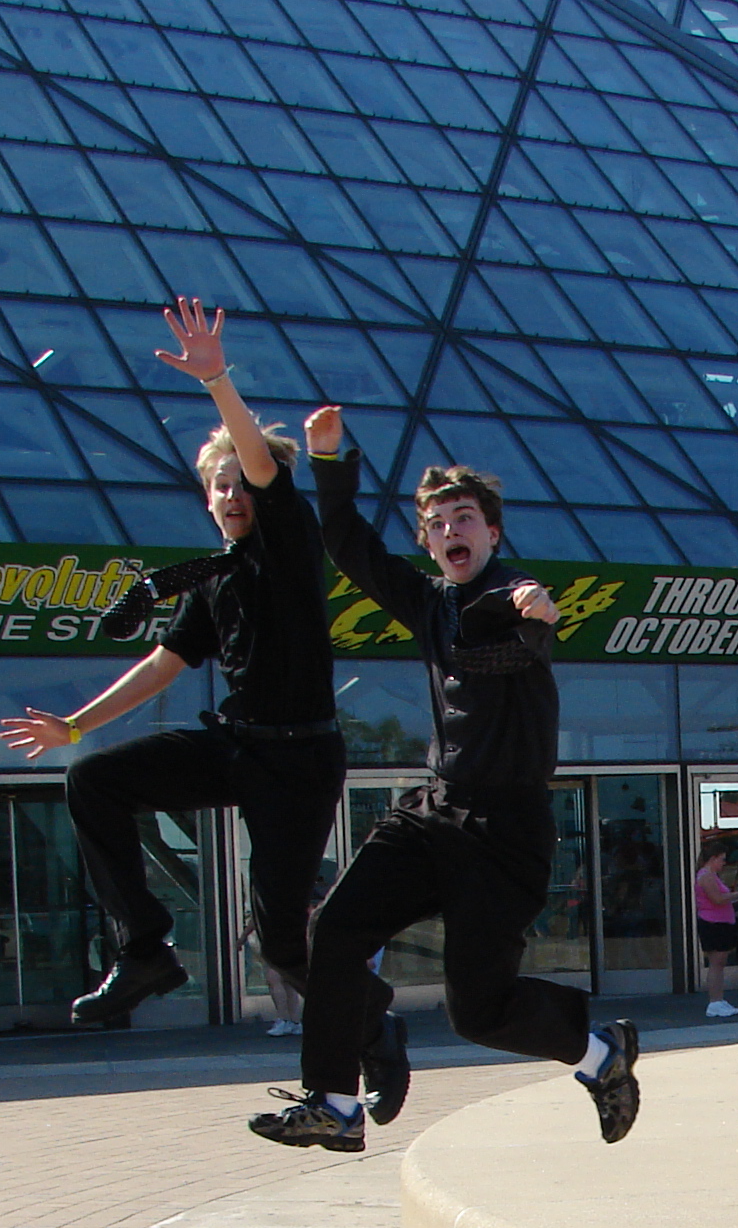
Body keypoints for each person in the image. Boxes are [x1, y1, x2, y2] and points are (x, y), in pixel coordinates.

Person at [251, 412, 637, 1150]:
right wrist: (329, 458)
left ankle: (601, 1053)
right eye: (437, 524)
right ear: (428, 543)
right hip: (435, 811)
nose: (451, 531)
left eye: (465, 519)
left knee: (479, 1012)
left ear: (491, 533)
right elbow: (345, 542)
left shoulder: (508, 592)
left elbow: (525, 603)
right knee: (334, 929)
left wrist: (536, 609)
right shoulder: (429, 604)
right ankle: (334, 1101)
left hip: (506, 832)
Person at [3, 303, 359, 1063]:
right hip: (240, 747)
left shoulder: (290, 543)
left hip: (300, 760)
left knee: (284, 940)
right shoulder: (211, 578)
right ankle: (146, 950)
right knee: (94, 780)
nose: (233, 495)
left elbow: (265, 475)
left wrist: (217, 380)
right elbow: (164, 664)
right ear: (204, 498)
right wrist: (75, 726)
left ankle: (372, 1025)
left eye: (241, 482)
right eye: (218, 486)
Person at [694, 837, 738, 1018]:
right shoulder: (706, 875)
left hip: (721, 921)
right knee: (716, 963)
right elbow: (717, 899)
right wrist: (736, 895)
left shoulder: (711, 875)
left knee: (720, 963)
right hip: (713, 923)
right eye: (722, 859)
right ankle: (714, 1001)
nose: (723, 863)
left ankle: (719, 999)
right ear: (713, 858)